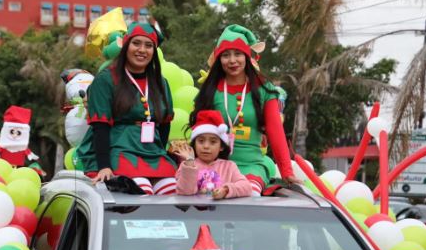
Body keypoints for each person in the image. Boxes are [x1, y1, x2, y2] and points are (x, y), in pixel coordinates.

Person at [192, 24, 299, 196]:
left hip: (252, 166)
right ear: (218, 59)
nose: (232, 60)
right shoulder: (210, 90)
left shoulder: (264, 89)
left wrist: (287, 172)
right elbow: (197, 130)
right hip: (216, 166)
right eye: (226, 55)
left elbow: (275, 131)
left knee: (249, 194)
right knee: (207, 199)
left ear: (247, 57)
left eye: (238, 54)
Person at [76, 21, 177, 195]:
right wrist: (104, 166)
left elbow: (164, 126)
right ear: (126, 46)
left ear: (154, 51)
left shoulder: (161, 83)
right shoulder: (106, 79)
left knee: (172, 191)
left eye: (148, 45)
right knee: (141, 192)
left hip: (152, 151)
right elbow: (100, 127)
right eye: (136, 43)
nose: (142, 50)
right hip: (119, 149)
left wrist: (159, 149)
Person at [174, 110, 252, 199]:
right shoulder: (186, 166)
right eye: (201, 141)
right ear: (194, 144)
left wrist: (226, 190)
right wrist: (190, 164)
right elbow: (185, 192)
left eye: (213, 142)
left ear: (221, 146)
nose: (206, 146)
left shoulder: (229, 166)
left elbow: (247, 187)